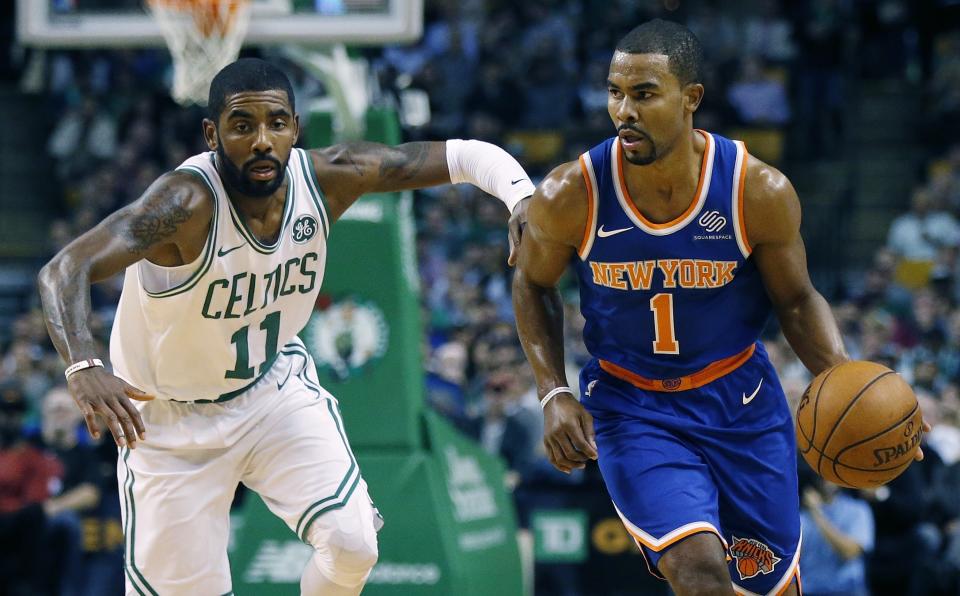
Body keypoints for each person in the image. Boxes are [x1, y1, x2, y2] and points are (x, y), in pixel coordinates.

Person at [37, 58, 535, 596]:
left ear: (296, 127)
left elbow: (460, 156)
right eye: (242, 124)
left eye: (276, 123)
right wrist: (83, 364)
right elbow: (65, 269)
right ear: (212, 134)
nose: (261, 140)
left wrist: (522, 196)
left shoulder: (327, 177)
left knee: (353, 544)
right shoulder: (183, 204)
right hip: (169, 422)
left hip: (271, 394)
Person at [511, 19, 924, 596]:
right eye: (615, 92)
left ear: (691, 99)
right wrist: (553, 391)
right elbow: (531, 284)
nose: (623, 110)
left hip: (742, 404)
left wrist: (851, 385)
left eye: (645, 94)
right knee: (699, 571)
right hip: (633, 408)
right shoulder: (571, 193)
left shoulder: (757, 191)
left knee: (768, 588)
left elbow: (798, 301)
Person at [799, 478, 874, 596]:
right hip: (810, 590)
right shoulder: (800, 516)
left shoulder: (858, 509)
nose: (826, 480)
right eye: (821, 475)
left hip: (848, 590)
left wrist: (817, 514)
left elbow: (849, 552)